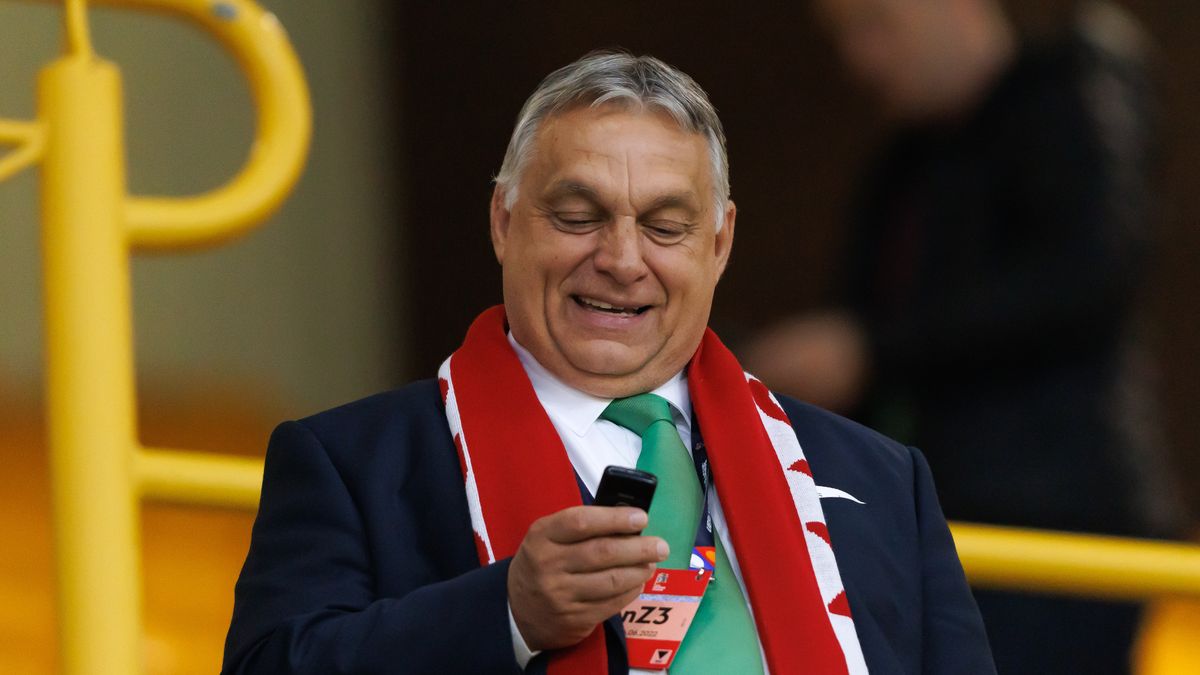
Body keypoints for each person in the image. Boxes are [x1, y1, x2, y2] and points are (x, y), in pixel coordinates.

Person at [222, 50, 994, 674]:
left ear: (719, 244)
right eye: (578, 216)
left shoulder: (886, 480)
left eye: (665, 227)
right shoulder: (348, 462)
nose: (622, 260)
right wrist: (509, 614)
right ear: (503, 220)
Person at [747, 1, 1180, 672]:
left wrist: (868, 349)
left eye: (875, 26)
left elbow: (1084, 274)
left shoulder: (1070, 91)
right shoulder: (906, 159)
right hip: (928, 522)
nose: (860, 59)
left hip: (1052, 526)